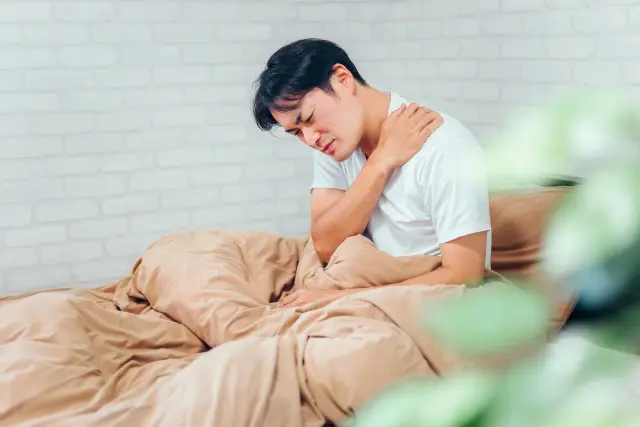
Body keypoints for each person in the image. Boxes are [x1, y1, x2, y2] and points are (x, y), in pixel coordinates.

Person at [251, 38, 492, 307]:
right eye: (296, 132)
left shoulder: (445, 146)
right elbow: (326, 246)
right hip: (369, 280)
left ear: (342, 79)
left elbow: (465, 275)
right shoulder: (332, 143)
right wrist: (380, 162)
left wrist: (340, 298)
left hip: (431, 299)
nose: (309, 139)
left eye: (308, 118)